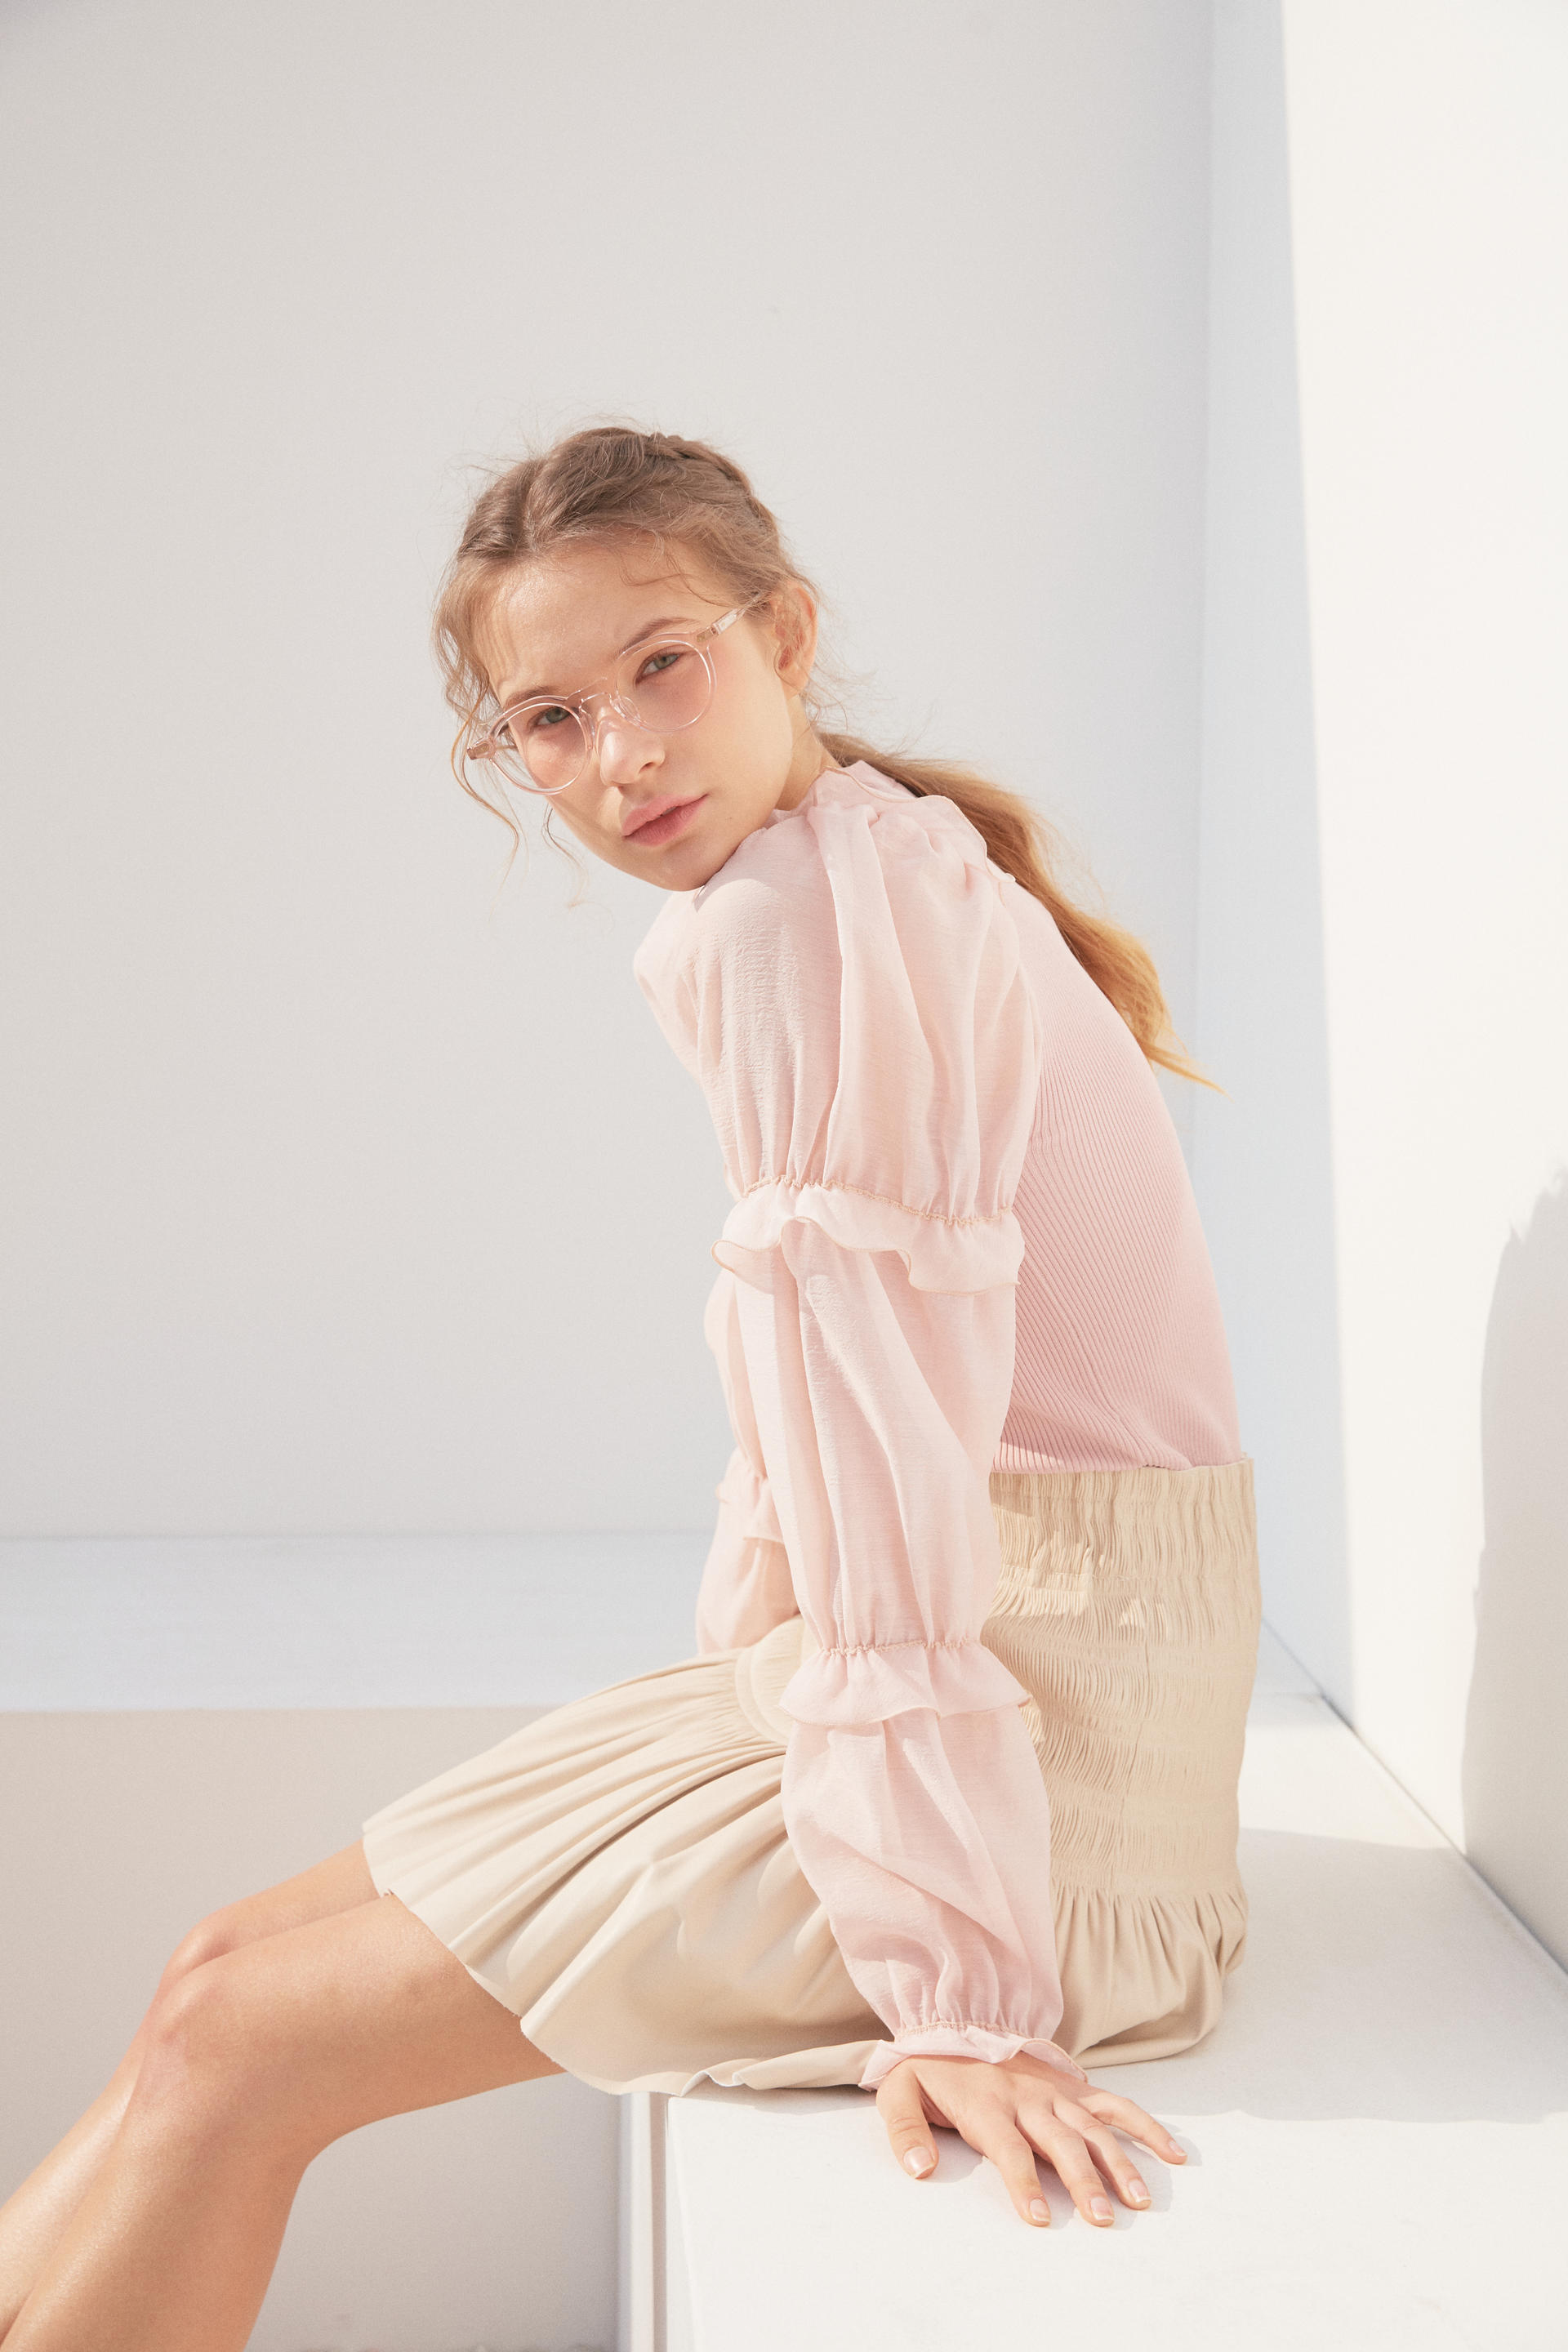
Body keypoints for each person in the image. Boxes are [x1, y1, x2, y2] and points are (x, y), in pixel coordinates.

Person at [0, 426, 1258, 2347]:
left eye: (664, 666)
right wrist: (739, 1711)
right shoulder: (856, 862)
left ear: (786, 634)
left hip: (1049, 1787)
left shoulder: (804, 921)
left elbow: (887, 1434)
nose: (623, 758)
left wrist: (963, 2002)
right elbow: (834, 1430)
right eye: (551, 719)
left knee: (239, 2044)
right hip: (993, 1677)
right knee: (214, 1973)